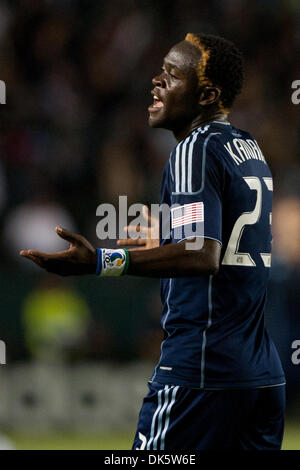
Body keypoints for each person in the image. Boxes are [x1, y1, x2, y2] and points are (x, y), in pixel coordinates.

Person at [20, 33, 286, 450]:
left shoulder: (191, 151)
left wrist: (101, 261)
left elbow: (204, 254)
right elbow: (230, 245)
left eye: (172, 75)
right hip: (260, 375)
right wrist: (167, 238)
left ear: (207, 94)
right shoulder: (247, 147)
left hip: (200, 371)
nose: (156, 82)